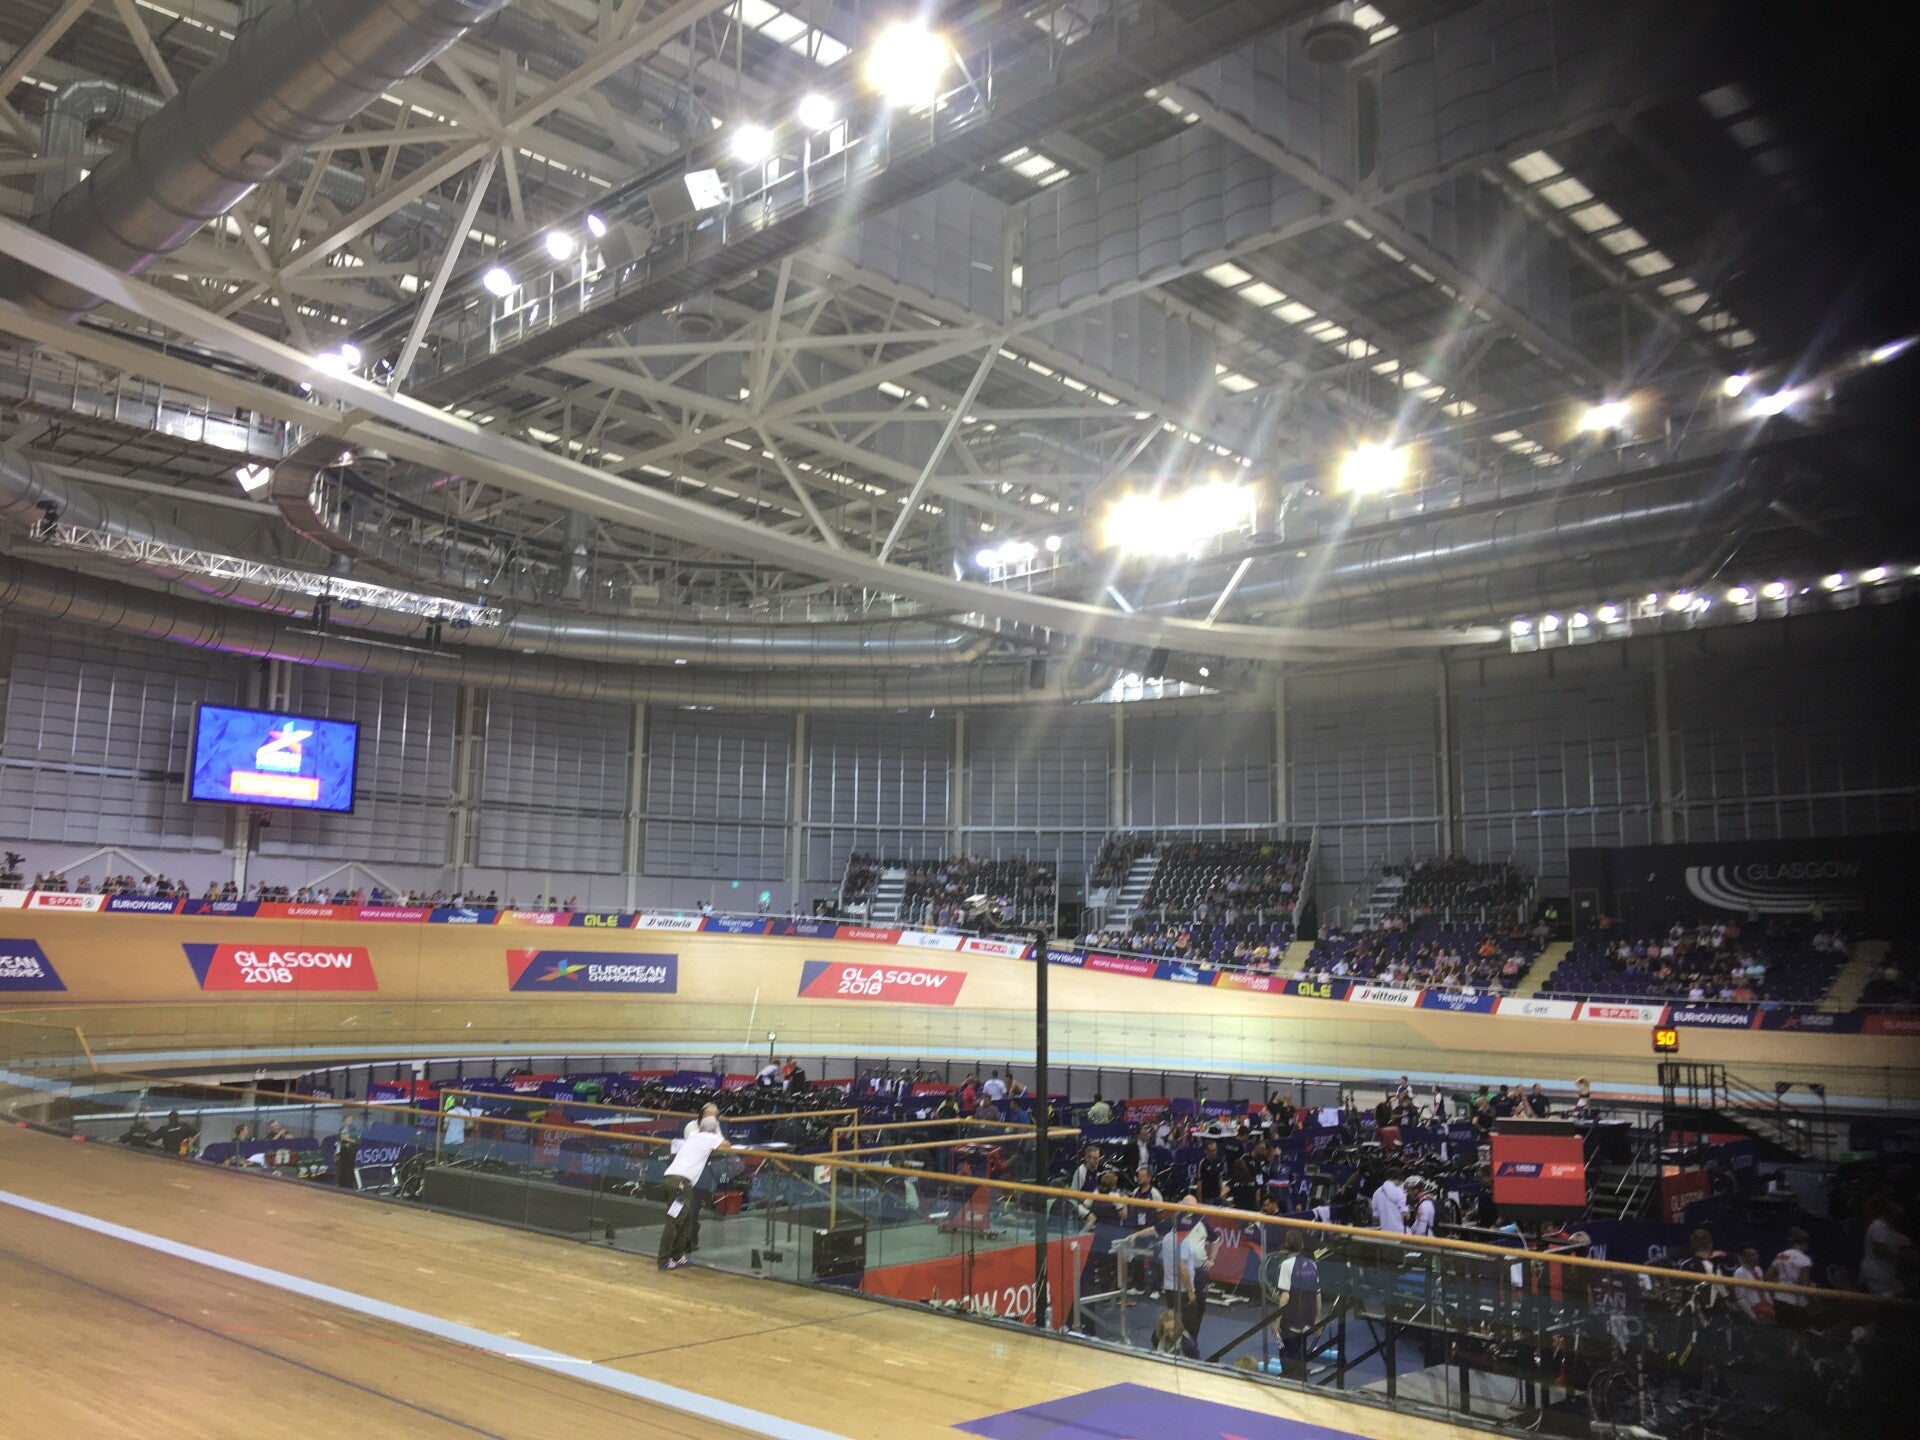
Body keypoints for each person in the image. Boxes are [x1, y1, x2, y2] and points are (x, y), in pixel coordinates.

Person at [658, 1118, 731, 1270]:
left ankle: (678, 1256)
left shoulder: (693, 1135)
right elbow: (727, 1145)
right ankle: (664, 1259)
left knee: (686, 1220)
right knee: (674, 1221)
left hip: (671, 1180)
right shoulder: (711, 1137)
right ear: (714, 1129)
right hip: (680, 1185)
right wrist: (717, 1133)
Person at [1271, 1227, 1322, 1378]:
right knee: (1300, 1355)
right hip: (1307, 1319)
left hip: (1291, 1321)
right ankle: (1300, 1379)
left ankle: (1292, 1381)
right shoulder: (1312, 1264)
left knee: (1288, 1357)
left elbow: (1285, 1296)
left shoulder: (1286, 1265)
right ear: (1302, 1245)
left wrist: (1276, 1321)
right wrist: (1317, 1319)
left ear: (1287, 1244)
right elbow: (1318, 1294)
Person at [1176, 1201, 1217, 1357]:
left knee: (1198, 1309)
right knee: (1179, 1308)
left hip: (1199, 1272)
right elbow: (1157, 1230)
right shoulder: (1176, 1218)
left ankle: (1191, 1344)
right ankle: (1176, 1342)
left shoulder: (1202, 1220)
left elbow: (1216, 1240)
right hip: (1180, 1271)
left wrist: (1212, 1259)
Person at [1859, 1193, 1915, 1297]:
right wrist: (1903, 1256)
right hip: (1877, 1275)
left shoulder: (1888, 1228)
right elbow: (1880, 1249)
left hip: (1886, 1275)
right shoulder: (1879, 1226)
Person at [1767, 1228, 1815, 1326]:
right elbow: (1804, 1281)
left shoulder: (1781, 1255)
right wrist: (1813, 1297)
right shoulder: (1804, 1259)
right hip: (1796, 1302)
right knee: (1798, 1331)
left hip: (1780, 1298)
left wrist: (1782, 1283)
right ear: (1805, 1243)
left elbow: (1769, 1276)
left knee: (1783, 1331)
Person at [1370, 1166, 1409, 1234]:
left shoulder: (1376, 1193)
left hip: (1385, 1233)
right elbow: (1405, 1215)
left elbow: (1376, 1216)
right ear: (1398, 1179)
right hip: (1401, 1232)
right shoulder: (1399, 1191)